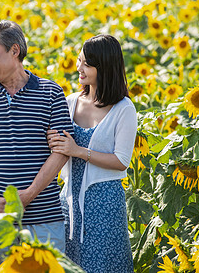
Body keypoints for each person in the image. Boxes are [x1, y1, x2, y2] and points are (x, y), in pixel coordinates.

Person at [0, 20, 74, 261]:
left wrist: (29, 194)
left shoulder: (51, 92)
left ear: (14, 51)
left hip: (43, 218)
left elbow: (61, 152)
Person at [47, 34, 136, 272]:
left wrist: (78, 151)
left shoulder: (124, 109)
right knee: (68, 265)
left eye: (87, 64)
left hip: (105, 203)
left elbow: (121, 161)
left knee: (103, 265)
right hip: (69, 200)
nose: (79, 68)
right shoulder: (70, 102)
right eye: (79, 61)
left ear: (104, 66)